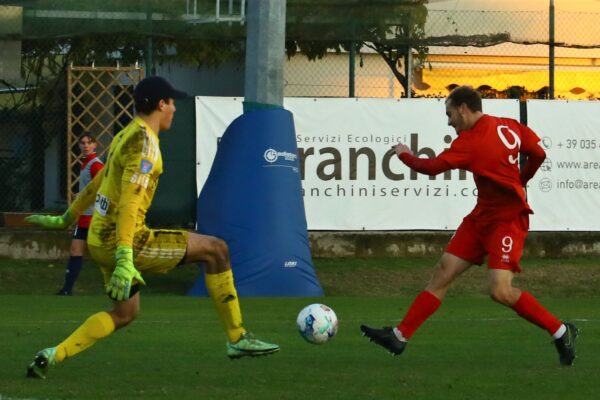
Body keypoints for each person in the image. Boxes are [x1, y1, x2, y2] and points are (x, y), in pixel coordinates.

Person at [25, 76, 279, 379]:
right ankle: (237, 337)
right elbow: (131, 203)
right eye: (172, 103)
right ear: (161, 105)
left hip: (99, 239)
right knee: (216, 250)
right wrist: (125, 257)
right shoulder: (145, 146)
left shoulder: (125, 134)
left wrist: (66, 218)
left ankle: (53, 354)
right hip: (126, 241)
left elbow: (98, 183)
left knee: (124, 314)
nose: (175, 109)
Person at [360, 85, 578, 366]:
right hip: (481, 218)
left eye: (449, 114)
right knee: (444, 271)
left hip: (506, 221)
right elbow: (538, 154)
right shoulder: (508, 126)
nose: (449, 121)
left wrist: (404, 153)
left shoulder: (472, 142)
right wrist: (520, 182)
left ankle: (561, 332)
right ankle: (399, 337)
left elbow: (431, 168)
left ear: (463, 108)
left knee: (500, 290)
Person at [56, 133, 104, 296]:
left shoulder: (96, 165)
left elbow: (103, 188)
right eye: (82, 143)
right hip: (84, 216)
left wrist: (82, 195)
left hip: (94, 217)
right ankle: (67, 289)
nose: (85, 146)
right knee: (75, 251)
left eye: (89, 143)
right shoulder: (85, 164)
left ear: (95, 145)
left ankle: (117, 287)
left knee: (105, 255)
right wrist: (81, 195)